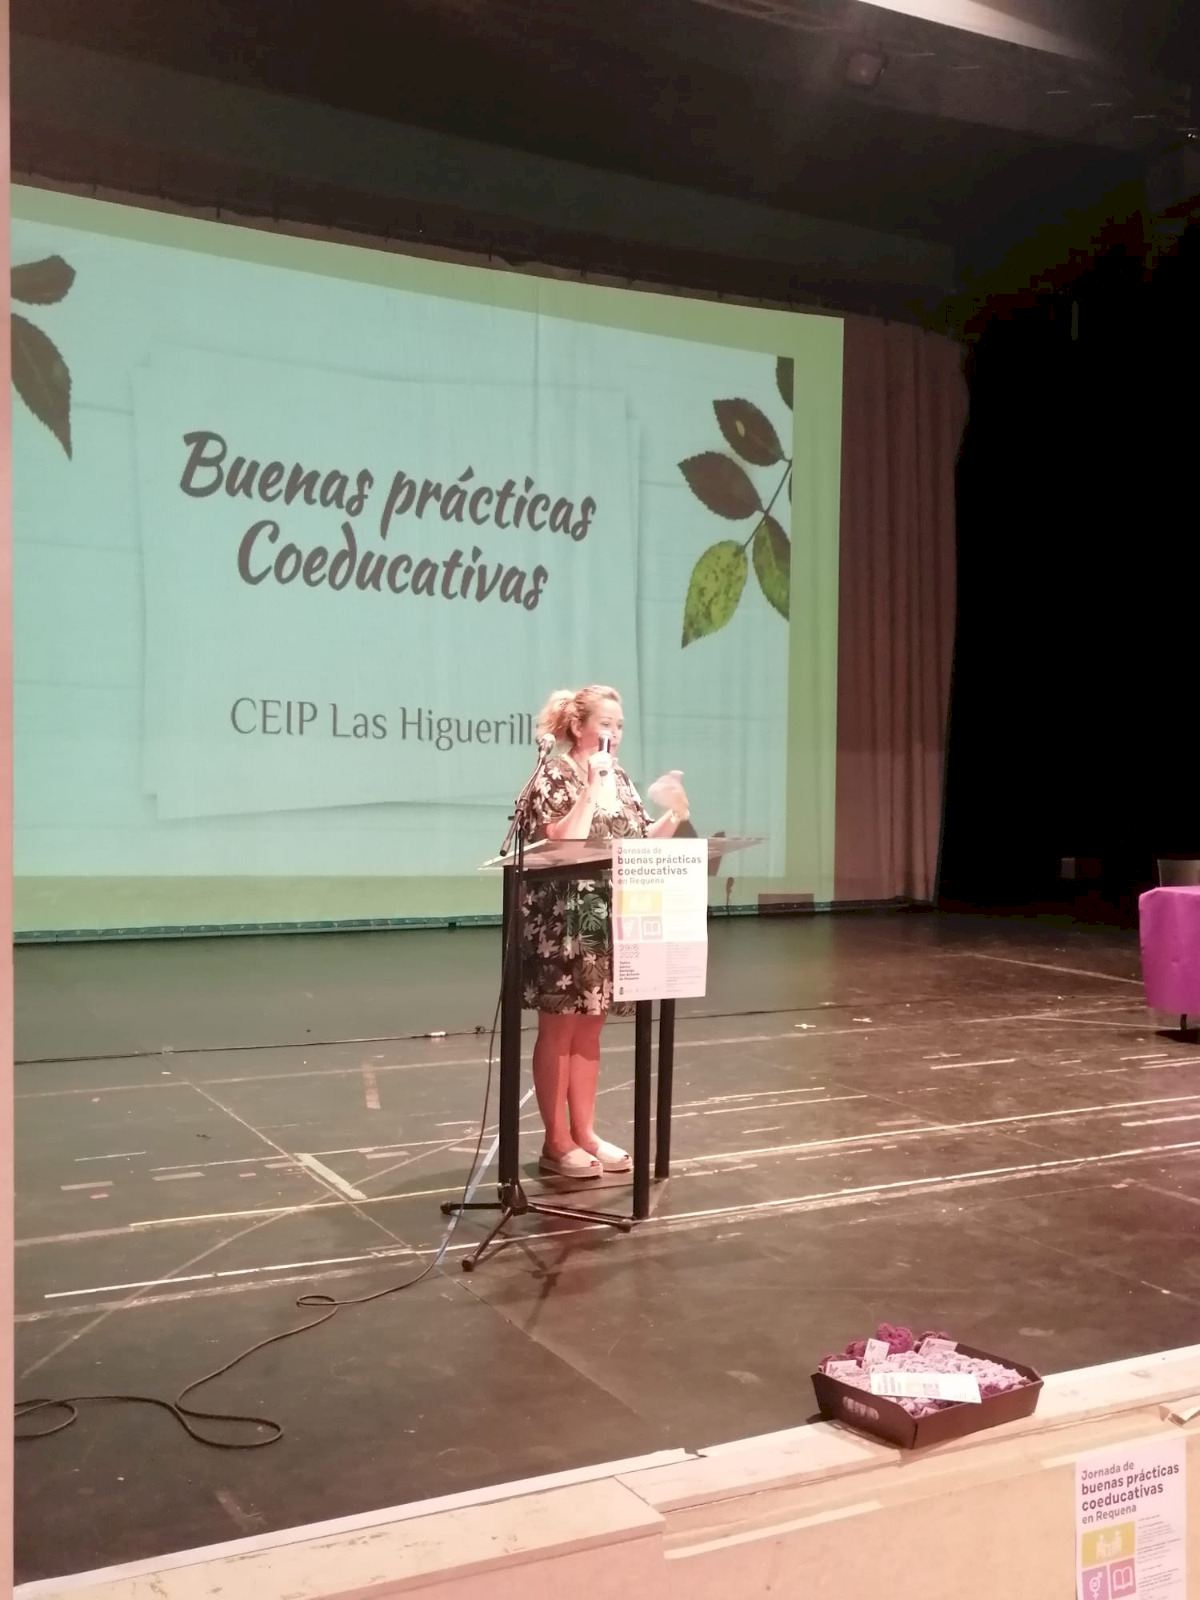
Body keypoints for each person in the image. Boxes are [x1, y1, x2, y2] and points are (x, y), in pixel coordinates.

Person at [520, 684, 690, 1179]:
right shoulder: (555, 773)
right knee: (560, 1027)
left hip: (611, 914)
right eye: (606, 724)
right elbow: (564, 839)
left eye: (620, 726)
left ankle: (586, 1132)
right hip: (565, 918)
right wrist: (593, 785)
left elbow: (638, 840)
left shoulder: (620, 778)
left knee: (592, 1024)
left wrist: (675, 814)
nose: (614, 733)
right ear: (578, 727)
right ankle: (556, 1141)